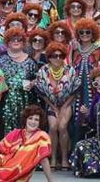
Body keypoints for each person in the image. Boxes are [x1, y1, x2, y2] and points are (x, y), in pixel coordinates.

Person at [34, 41, 79, 171]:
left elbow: (75, 91)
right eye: (54, 55)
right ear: (49, 57)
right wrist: (53, 107)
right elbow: (41, 92)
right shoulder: (43, 70)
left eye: (60, 55)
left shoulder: (69, 70)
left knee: (62, 126)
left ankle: (64, 158)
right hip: (51, 104)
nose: (57, 58)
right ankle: (53, 158)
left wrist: (64, 107)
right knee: (53, 127)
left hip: (67, 103)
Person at [0, 27, 38, 137]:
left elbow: (38, 79)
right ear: (7, 42)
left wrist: (32, 83)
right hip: (3, 104)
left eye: (19, 40)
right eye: (12, 39)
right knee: (3, 134)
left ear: (23, 43)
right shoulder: (0, 58)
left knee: (23, 133)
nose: (16, 42)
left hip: (24, 103)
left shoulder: (31, 62)